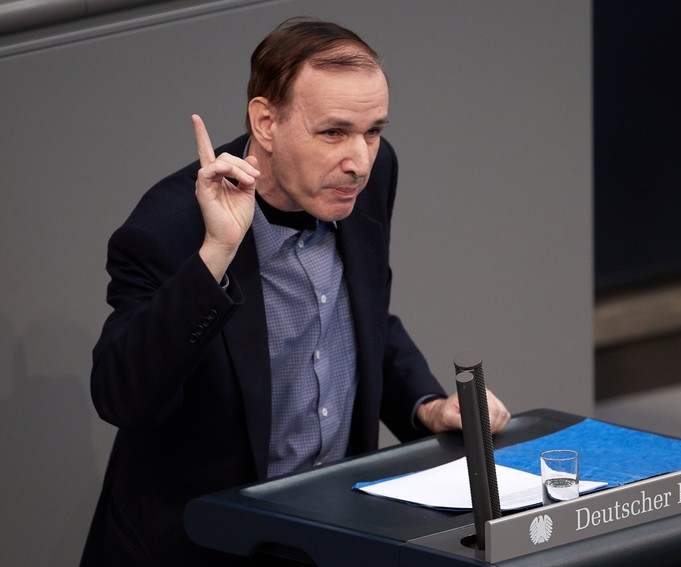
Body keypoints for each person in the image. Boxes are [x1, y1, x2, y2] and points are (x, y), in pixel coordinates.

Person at [81, 17, 510, 566]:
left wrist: (425, 405)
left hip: (330, 537)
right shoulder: (170, 228)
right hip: (203, 545)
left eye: (373, 130)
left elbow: (364, 314)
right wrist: (215, 255)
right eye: (333, 132)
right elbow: (123, 398)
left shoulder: (366, 180)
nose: (358, 160)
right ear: (266, 122)